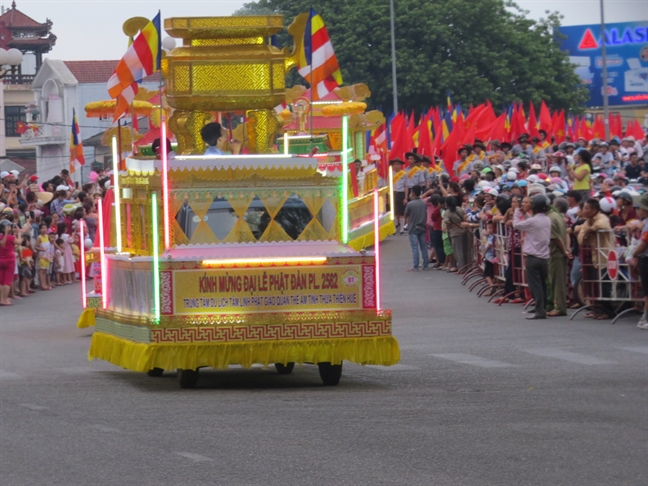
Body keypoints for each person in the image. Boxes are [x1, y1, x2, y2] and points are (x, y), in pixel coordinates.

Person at [513, 194, 552, 320]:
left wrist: (517, 211)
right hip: (544, 257)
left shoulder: (533, 221)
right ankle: (541, 308)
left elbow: (516, 224)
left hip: (533, 257)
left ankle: (540, 311)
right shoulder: (546, 219)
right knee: (542, 284)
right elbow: (529, 222)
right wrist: (525, 214)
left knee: (535, 286)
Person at [626, 193, 648, 330]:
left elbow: (645, 242)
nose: (637, 209)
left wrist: (634, 253)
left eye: (639, 207)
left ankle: (645, 318)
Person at [547, 198, 572, 317]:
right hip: (560, 253)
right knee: (558, 281)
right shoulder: (557, 217)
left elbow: (556, 238)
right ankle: (558, 306)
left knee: (557, 282)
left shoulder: (552, 218)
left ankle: (559, 307)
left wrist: (564, 250)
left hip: (556, 253)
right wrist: (566, 249)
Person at [403, 185, 429, 271]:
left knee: (415, 248)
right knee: (423, 247)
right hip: (422, 226)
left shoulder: (410, 204)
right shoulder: (423, 203)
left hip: (413, 228)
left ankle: (416, 266)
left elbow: (405, 215)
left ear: (413, 193)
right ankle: (426, 265)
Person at [443, 196, 470, 272]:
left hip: (455, 233)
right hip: (464, 231)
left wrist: (451, 224)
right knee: (465, 250)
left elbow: (446, 221)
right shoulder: (460, 209)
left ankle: (461, 268)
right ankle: (467, 266)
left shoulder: (448, 212)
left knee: (458, 251)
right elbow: (465, 216)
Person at [0, 222, 18, 305]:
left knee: (1, 281)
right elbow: (19, 242)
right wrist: (18, 233)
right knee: (7, 280)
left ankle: (2, 299)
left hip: (1, 260)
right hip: (9, 260)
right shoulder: (10, 237)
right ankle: (4, 299)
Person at [390, 159, 407, 234]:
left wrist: (406, 197)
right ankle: (394, 228)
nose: (396, 166)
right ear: (393, 166)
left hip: (401, 193)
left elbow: (406, 186)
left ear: (400, 165)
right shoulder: (390, 174)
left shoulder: (404, 174)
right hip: (393, 193)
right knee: (394, 212)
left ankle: (402, 229)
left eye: (398, 164)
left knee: (401, 212)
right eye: (395, 164)